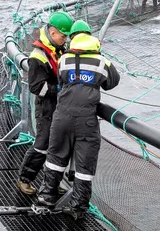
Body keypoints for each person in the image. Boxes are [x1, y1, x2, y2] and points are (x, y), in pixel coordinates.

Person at [35, 20, 120, 219]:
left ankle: (46, 197)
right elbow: (112, 82)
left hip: (61, 116)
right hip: (87, 120)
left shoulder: (64, 59)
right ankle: (78, 208)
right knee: (84, 164)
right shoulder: (102, 62)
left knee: (55, 157)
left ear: (73, 39)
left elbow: (62, 80)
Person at [15, 11, 74, 195]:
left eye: (66, 37)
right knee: (42, 144)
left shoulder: (60, 50)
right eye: (63, 36)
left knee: (59, 145)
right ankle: (25, 179)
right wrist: (61, 89)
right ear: (53, 32)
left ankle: (53, 183)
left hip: (60, 106)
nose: (64, 39)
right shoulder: (38, 56)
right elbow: (36, 87)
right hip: (47, 108)